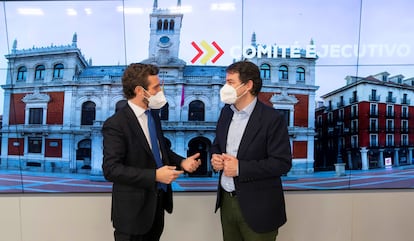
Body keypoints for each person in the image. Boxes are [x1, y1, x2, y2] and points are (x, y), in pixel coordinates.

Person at [102, 63, 201, 241]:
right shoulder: (116, 124)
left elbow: (161, 149)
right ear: (140, 90)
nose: (160, 91)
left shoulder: (153, 115)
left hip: (157, 207)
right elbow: (111, 169)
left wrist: (182, 162)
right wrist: (155, 175)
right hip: (132, 215)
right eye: (156, 87)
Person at [210, 60, 292, 241]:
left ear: (248, 85)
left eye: (230, 82)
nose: (225, 87)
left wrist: (240, 168)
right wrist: (215, 157)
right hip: (227, 202)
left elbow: (282, 163)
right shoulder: (226, 112)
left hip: (259, 209)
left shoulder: (273, 119)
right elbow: (217, 145)